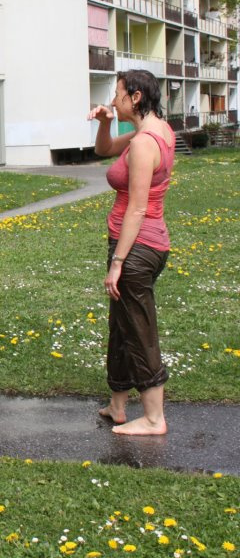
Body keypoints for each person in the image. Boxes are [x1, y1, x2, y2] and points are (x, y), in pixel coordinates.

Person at [88, 69, 174, 436]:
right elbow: (103, 150)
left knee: (138, 329)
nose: (112, 99)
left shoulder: (143, 142)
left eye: (117, 93)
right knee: (121, 326)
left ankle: (154, 418)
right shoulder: (153, 131)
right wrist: (106, 123)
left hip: (137, 247)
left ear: (135, 97)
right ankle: (118, 405)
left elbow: (138, 207)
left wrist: (118, 263)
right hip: (142, 243)